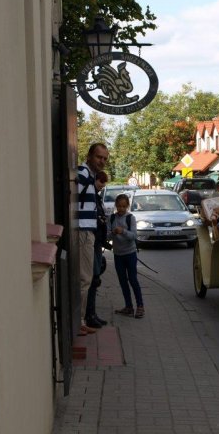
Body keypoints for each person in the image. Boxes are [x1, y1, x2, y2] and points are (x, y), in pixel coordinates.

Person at [77, 142, 109, 336]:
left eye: (105, 158)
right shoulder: (83, 173)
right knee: (85, 279)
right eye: (99, 157)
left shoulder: (89, 175)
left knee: (86, 278)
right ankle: (79, 321)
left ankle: (81, 319)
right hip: (83, 232)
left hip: (87, 231)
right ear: (89, 156)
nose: (102, 161)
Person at [108, 194, 145, 319]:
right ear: (116, 206)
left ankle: (140, 306)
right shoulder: (112, 218)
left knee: (133, 280)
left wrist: (123, 231)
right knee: (123, 282)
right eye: (119, 206)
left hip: (130, 254)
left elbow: (133, 236)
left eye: (124, 206)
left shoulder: (130, 218)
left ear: (127, 206)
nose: (121, 209)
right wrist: (113, 232)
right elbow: (107, 236)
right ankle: (128, 307)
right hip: (118, 255)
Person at [85, 170, 110, 329]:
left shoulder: (96, 196)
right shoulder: (91, 195)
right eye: (101, 182)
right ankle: (89, 315)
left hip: (97, 241)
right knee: (93, 278)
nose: (102, 185)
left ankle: (92, 314)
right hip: (92, 240)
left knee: (95, 277)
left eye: (104, 182)